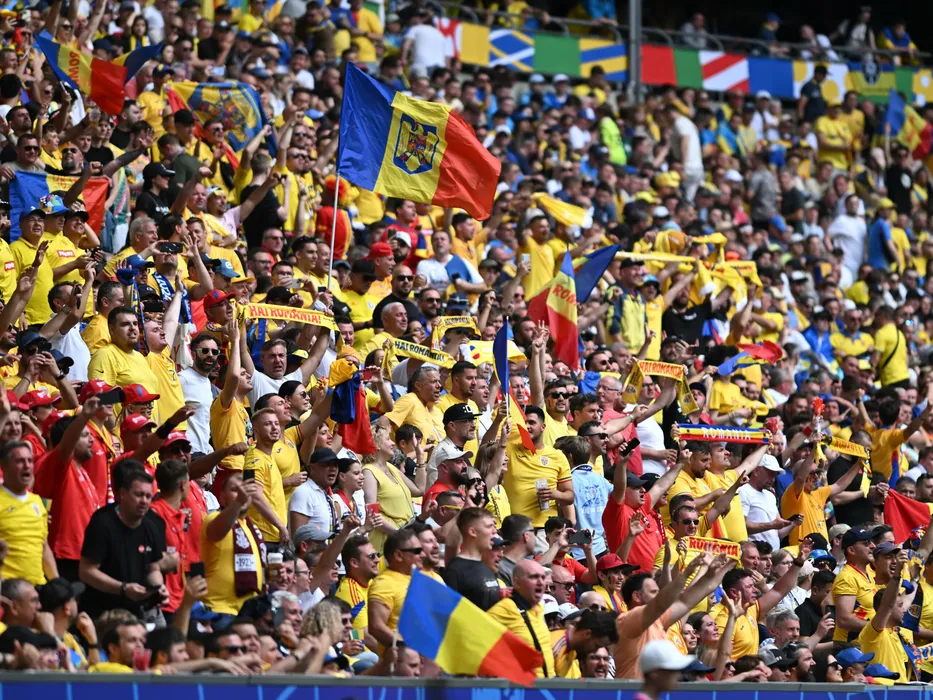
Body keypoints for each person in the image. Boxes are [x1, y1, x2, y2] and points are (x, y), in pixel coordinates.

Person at [487, 559, 555, 677]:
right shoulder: (504, 609)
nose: (540, 582)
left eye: (543, 578)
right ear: (517, 582)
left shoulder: (538, 607)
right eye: (534, 577)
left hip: (548, 683)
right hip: (522, 685)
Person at [0, 440, 55, 585]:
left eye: (30, 460)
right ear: (4, 466)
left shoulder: (37, 502)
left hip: (38, 587)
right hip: (8, 589)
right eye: (20, 461)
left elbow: (44, 547)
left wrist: (57, 583)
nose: (27, 466)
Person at [443, 507, 501, 611]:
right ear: (473, 532)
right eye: (489, 527)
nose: (494, 531)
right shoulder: (455, 570)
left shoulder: (486, 567)